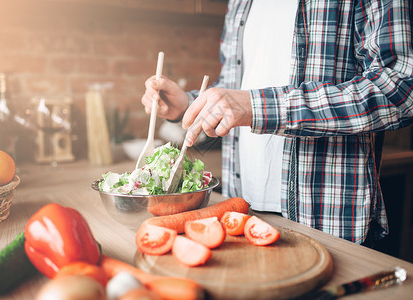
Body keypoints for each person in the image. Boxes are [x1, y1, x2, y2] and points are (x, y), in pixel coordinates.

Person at [141, 0, 413, 245]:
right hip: (239, 211)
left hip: (327, 221)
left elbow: (400, 90)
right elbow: (238, 87)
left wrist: (257, 107)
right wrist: (188, 105)